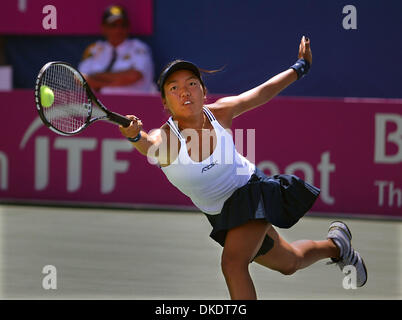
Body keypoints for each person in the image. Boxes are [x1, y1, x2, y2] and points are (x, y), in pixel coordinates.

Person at [118, 36, 368, 299]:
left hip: (251, 191)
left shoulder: (221, 112)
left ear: (203, 91)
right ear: (165, 104)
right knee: (289, 262)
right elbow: (148, 143)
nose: (184, 92)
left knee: (233, 265)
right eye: (173, 88)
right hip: (222, 214)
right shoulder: (167, 138)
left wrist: (300, 67)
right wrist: (135, 136)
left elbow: (262, 92)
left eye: (192, 84)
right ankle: (338, 246)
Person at [78, 5, 157, 94]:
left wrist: (96, 78)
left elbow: (133, 76)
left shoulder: (139, 48)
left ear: (128, 27)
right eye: (113, 25)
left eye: (123, 25)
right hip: (95, 105)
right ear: (103, 28)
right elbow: (80, 79)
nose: (118, 30)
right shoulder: (94, 49)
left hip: (133, 104)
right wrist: (117, 80)